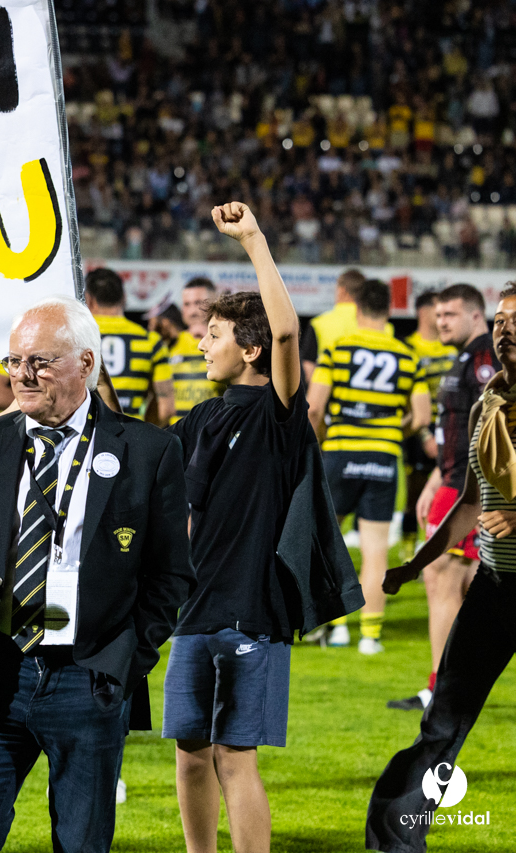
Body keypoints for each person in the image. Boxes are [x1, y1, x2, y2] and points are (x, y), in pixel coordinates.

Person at [0, 292, 192, 853]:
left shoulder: (149, 450)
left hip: (86, 676)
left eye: (40, 362)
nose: (21, 376)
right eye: (13, 362)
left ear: (87, 364)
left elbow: (170, 576)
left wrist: (124, 659)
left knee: (81, 842)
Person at [162, 203, 345, 853]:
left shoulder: (278, 413)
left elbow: (290, 335)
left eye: (212, 334)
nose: (200, 343)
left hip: (252, 608)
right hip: (197, 606)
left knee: (235, 756)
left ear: (250, 347)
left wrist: (253, 240)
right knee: (189, 751)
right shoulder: (199, 421)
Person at [365, 282, 516, 853]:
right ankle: (395, 841)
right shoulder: (489, 404)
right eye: (500, 321)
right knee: (442, 726)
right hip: (496, 588)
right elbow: (473, 503)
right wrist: (415, 563)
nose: (505, 330)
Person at [308, 279, 430, 654]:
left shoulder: (338, 349)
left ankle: (339, 627)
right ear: (389, 312)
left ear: (357, 309)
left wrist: (318, 441)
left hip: (340, 453)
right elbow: (422, 415)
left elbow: (314, 408)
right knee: (376, 550)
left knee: (330, 544)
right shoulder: (407, 355)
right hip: (382, 458)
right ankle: (371, 636)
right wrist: (392, 430)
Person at [393, 283, 492, 711]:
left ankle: (443, 689)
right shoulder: (465, 359)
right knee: (456, 580)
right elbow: (459, 434)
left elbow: (493, 432)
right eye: (438, 315)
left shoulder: (485, 360)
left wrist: (479, 492)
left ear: (475, 314)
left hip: (470, 488)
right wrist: (436, 477)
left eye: (450, 314)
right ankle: (449, 683)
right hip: (452, 481)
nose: (441, 322)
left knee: (444, 577)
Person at [398, 292, 454, 555]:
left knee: (451, 489)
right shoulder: (409, 347)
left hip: (452, 429)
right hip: (422, 432)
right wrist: (424, 436)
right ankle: (408, 551)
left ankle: (442, 546)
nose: (443, 317)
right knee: (415, 493)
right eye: (438, 310)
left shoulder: (453, 347)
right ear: (423, 311)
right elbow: (407, 400)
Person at [84, 267, 173, 423]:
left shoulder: (78, 337)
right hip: (132, 435)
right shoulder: (150, 340)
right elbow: (166, 409)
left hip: (89, 435)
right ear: (124, 298)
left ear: (88, 299)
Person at [301, 268, 393, 384]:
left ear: (342, 291)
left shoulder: (319, 323)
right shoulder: (385, 327)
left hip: (332, 395)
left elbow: (309, 371)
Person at [166, 276, 226, 424]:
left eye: (198, 303)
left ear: (214, 304)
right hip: (176, 434)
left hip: (212, 433)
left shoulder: (229, 342)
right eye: (187, 304)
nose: (192, 311)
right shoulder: (168, 344)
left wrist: (213, 336)